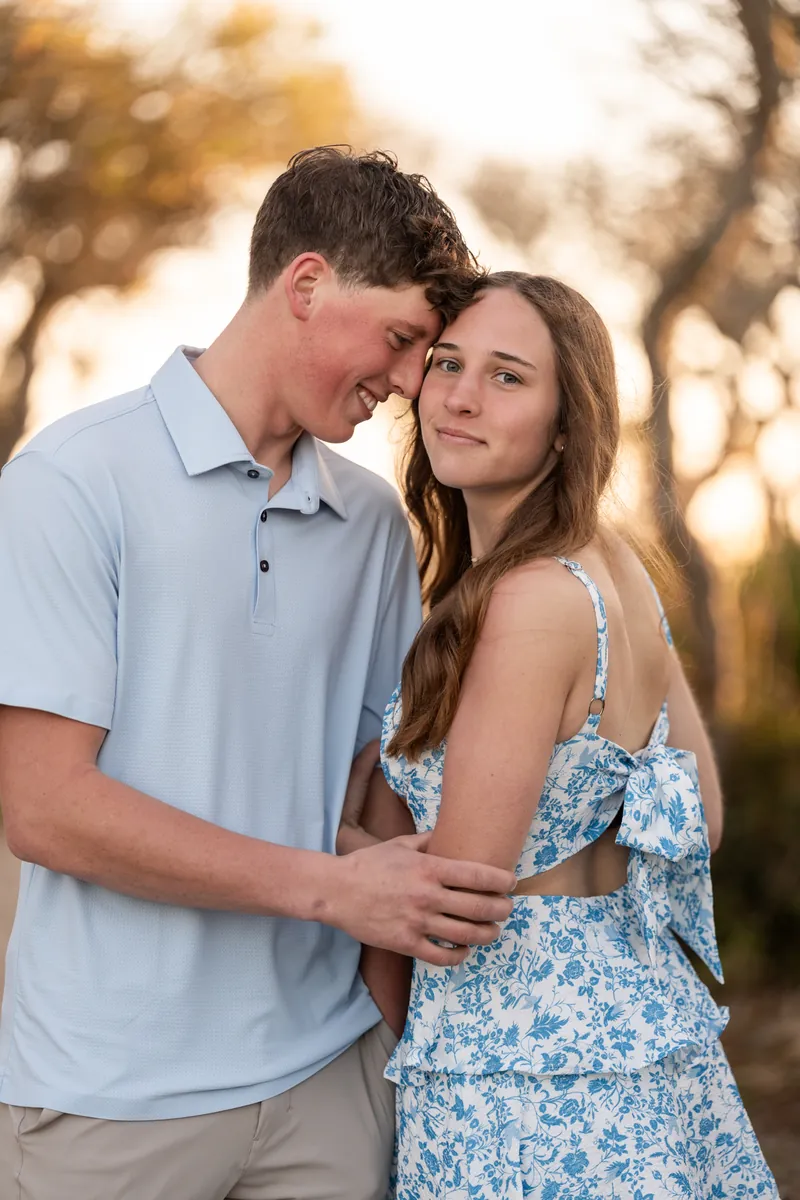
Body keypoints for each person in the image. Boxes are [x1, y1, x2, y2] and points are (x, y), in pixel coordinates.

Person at [0, 148, 517, 1200]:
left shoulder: (372, 522)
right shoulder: (69, 480)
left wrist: (381, 1039)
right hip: (110, 1098)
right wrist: (334, 891)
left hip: (328, 1082)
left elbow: (371, 781)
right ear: (307, 283)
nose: (413, 383)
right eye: (404, 340)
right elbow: (42, 809)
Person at [343, 272, 778, 1197]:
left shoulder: (531, 599)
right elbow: (698, 817)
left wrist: (331, 836)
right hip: (635, 1042)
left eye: (508, 377)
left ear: (568, 419)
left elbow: (453, 907)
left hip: (522, 1081)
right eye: (449, 363)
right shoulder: (609, 560)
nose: (458, 396)